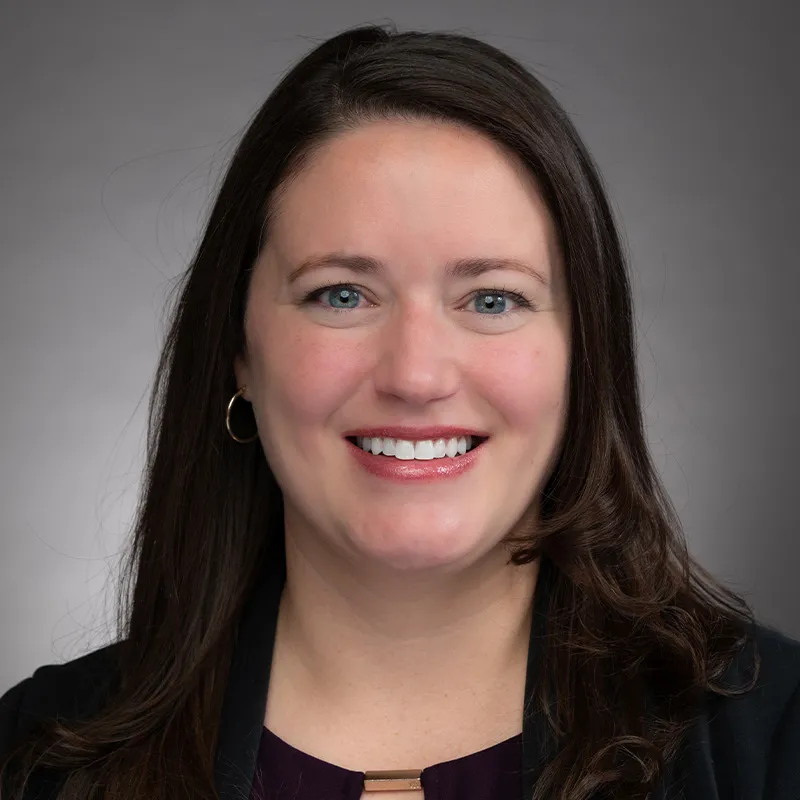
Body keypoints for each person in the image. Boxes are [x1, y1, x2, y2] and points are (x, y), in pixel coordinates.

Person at [1, 21, 798, 800]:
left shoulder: (773, 741)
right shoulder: (35, 759)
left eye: (493, 298)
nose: (416, 375)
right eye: (342, 294)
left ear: (583, 354)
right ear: (239, 348)